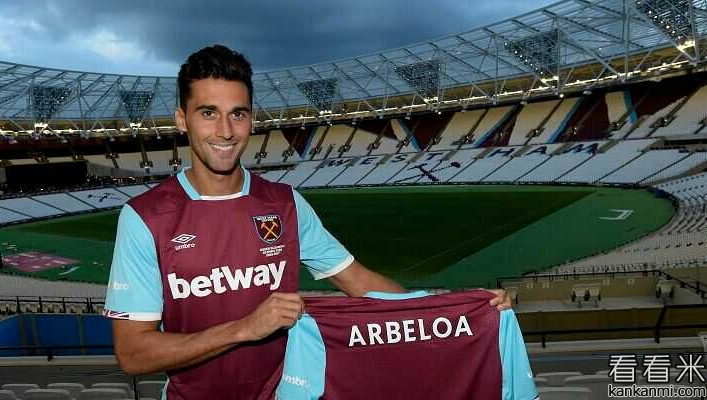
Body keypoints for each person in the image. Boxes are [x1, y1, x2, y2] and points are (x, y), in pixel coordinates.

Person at [103, 44, 510, 399]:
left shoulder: (284, 204)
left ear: (252, 119)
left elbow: (359, 282)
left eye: (237, 114)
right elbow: (134, 354)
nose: (225, 131)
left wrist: (458, 311)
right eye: (208, 113)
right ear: (182, 119)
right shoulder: (146, 218)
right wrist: (244, 328)